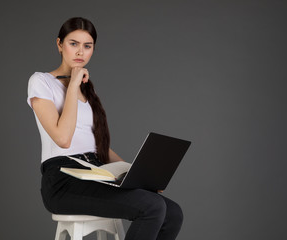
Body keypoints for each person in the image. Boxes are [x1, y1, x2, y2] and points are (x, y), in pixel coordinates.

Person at [27, 17, 183, 240]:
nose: (80, 51)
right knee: (151, 208)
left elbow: (99, 147)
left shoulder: (88, 91)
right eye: (73, 43)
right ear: (59, 44)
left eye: (87, 46)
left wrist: (137, 176)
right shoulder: (41, 81)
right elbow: (63, 139)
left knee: (173, 213)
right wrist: (72, 85)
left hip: (94, 172)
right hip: (63, 181)